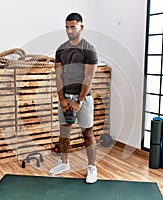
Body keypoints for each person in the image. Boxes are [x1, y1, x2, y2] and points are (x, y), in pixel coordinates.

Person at [49, 12, 98, 184]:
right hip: (65, 96)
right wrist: (62, 99)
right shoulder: (61, 49)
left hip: (83, 98)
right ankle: (64, 163)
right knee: (64, 131)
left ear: (81, 27)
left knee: (88, 133)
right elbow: (58, 76)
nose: (69, 31)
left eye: (73, 27)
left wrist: (79, 101)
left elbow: (88, 78)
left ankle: (92, 168)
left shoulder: (89, 50)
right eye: (67, 27)